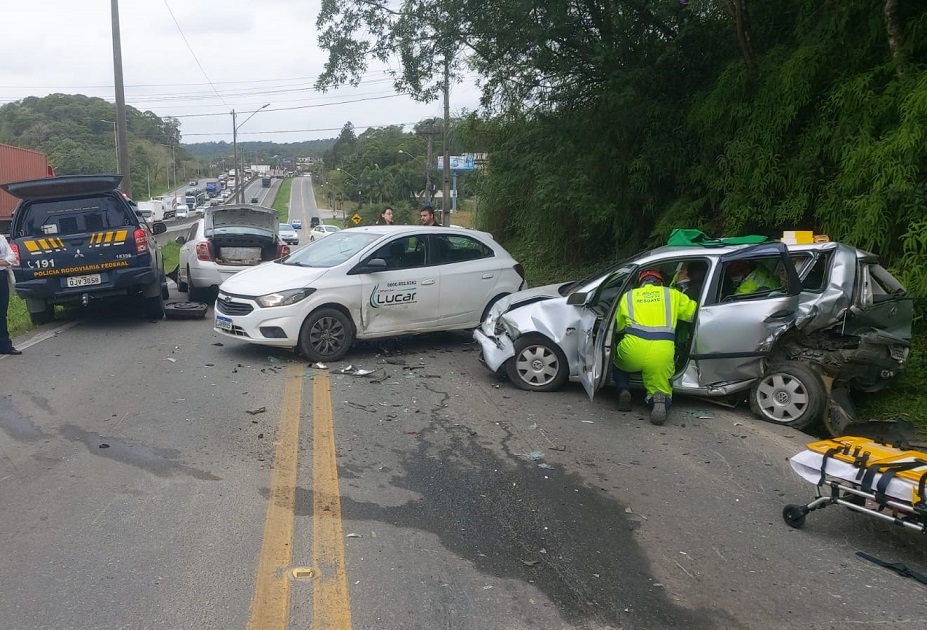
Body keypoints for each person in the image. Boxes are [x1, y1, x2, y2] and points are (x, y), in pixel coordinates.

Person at [613, 270, 697, 425]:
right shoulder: (672, 294)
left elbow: (618, 327)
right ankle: (658, 400)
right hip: (661, 350)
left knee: (617, 362)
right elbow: (693, 314)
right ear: (661, 283)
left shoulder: (628, 296)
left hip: (633, 347)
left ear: (641, 283)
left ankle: (623, 389)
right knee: (661, 388)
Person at [0, 233, 22, 355]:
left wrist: (5, 262)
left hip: (2, 277)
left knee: (2, 312)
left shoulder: (1, 238)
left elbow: (12, 258)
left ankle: (4, 346)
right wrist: (4, 261)